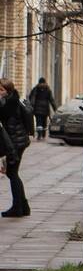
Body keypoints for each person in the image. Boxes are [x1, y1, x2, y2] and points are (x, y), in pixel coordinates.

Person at [0, 79, 33, 217]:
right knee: (13, 173)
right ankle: (23, 206)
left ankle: (18, 208)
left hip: (15, 143)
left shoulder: (9, 104)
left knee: (12, 173)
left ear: (7, 90)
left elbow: (5, 121)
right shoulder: (14, 99)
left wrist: (10, 151)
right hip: (19, 141)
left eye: (1, 90)